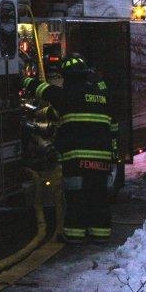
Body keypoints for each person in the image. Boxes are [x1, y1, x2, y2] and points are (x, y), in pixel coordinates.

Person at [23, 53, 114, 243]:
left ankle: (74, 236)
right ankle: (101, 235)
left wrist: (23, 79)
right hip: (102, 159)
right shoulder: (102, 96)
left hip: (77, 158)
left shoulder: (66, 94)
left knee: (76, 198)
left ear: (67, 76)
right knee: (99, 198)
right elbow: (113, 126)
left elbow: (43, 90)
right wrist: (113, 152)